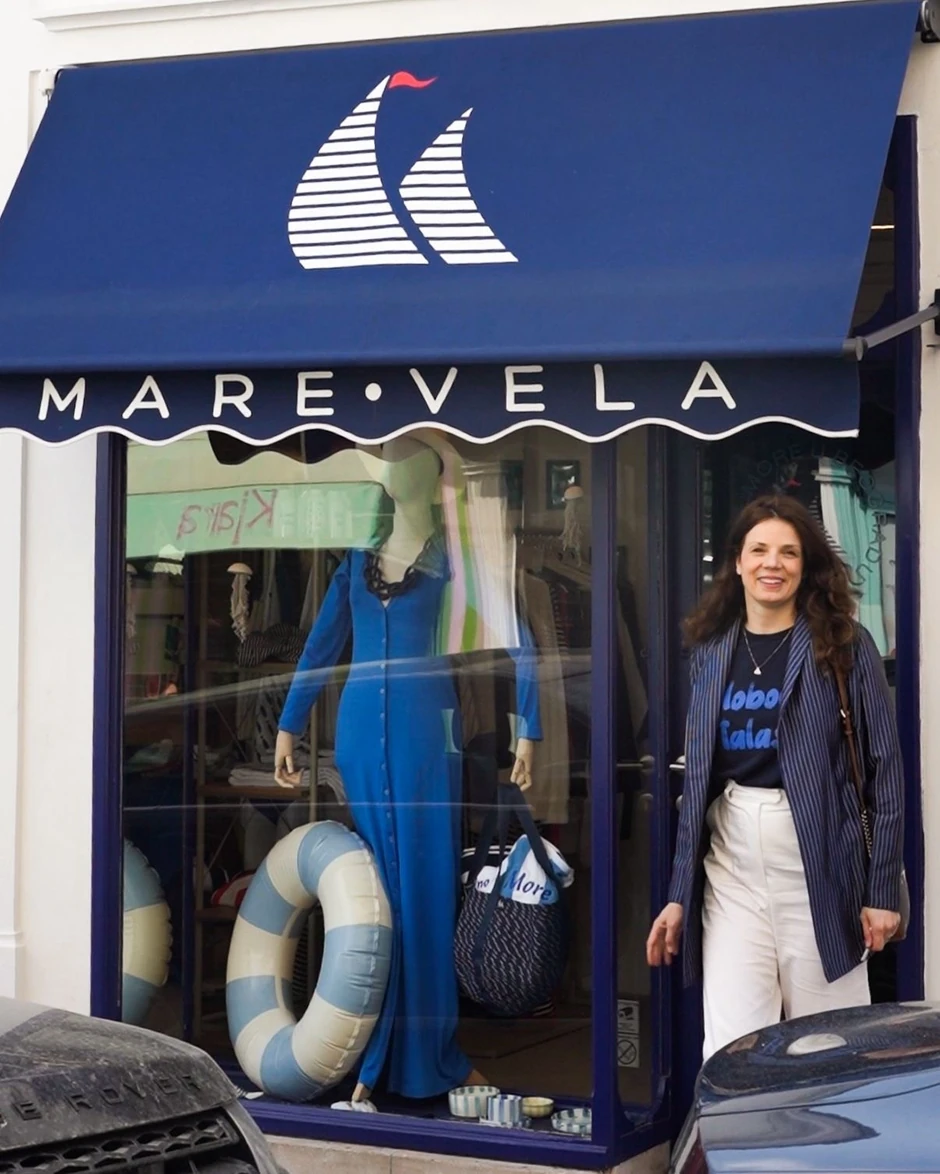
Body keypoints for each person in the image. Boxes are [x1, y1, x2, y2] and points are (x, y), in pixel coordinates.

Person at [646, 494, 904, 1060]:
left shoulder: (844, 645)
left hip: (821, 860)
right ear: (737, 561)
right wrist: (678, 894)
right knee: (732, 1050)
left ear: (805, 566)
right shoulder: (712, 650)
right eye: (759, 549)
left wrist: (882, 891)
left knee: (828, 1046)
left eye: (789, 552)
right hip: (733, 863)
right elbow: (699, 782)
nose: (773, 563)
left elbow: (885, 772)